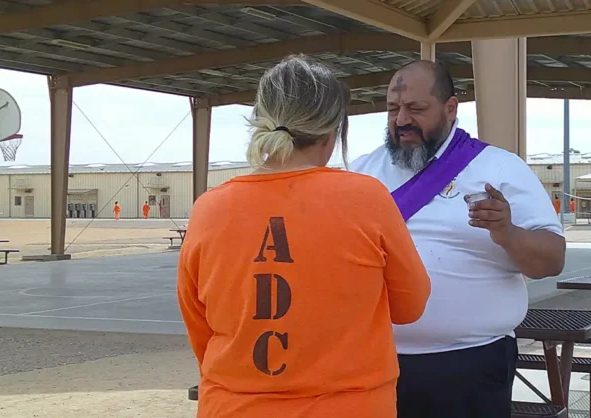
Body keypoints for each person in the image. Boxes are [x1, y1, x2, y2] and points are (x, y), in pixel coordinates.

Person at [177, 55, 431, 418]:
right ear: (333, 132)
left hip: (235, 405)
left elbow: (199, 326)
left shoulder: (209, 208)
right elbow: (411, 306)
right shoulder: (366, 198)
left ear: (260, 122)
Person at [350, 60, 566, 418]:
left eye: (416, 109)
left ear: (450, 108)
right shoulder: (358, 172)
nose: (402, 119)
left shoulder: (499, 168)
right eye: (393, 108)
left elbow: (551, 261)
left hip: (471, 367)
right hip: (374, 365)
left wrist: (507, 232)